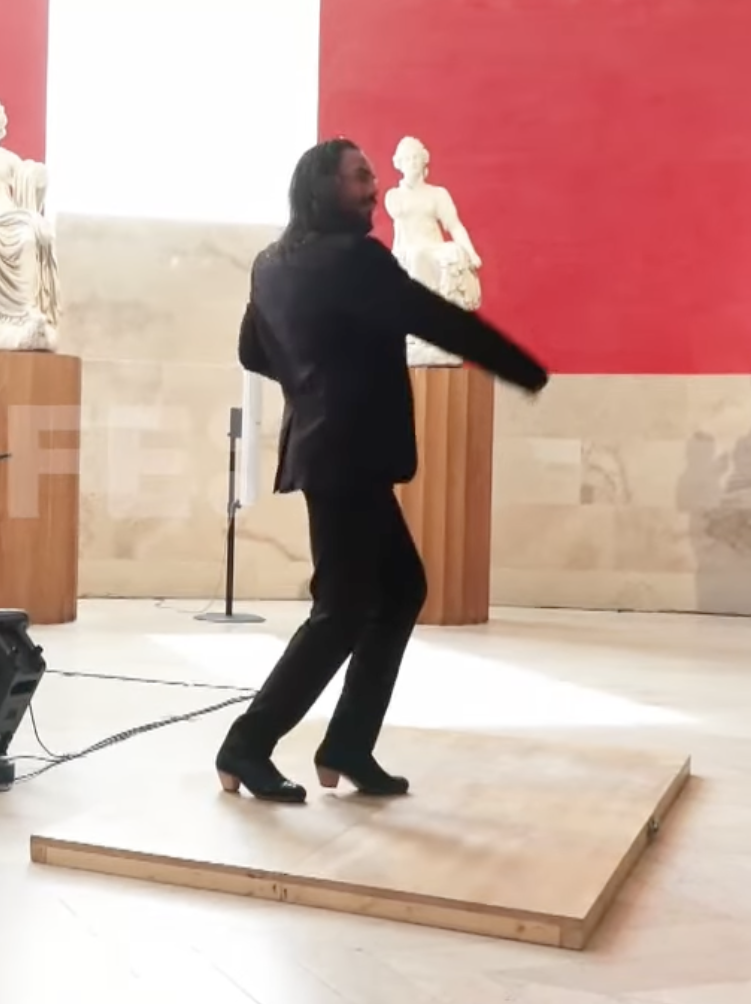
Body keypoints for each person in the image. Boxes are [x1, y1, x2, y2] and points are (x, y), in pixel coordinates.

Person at [216, 138, 549, 803]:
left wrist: (313, 378)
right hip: (351, 451)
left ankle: (347, 744)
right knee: (341, 610)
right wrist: (524, 368)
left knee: (399, 591)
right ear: (324, 188)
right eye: (360, 177)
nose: (374, 188)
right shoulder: (358, 259)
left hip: (326, 450)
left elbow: (253, 350)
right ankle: (247, 745)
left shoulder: (270, 264)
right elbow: (433, 318)